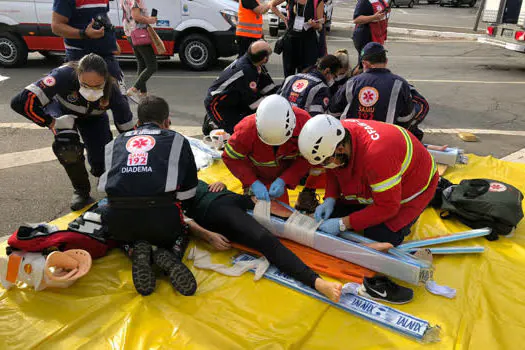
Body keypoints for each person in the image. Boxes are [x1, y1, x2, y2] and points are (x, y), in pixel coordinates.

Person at [98, 96, 199, 297]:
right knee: (183, 229)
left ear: (137, 123)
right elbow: (188, 193)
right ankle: (168, 253)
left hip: (119, 217)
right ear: (166, 121)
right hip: (162, 219)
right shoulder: (176, 139)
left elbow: (105, 186)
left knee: (116, 231)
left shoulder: (115, 143)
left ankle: (134, 250)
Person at [11, 53, 134, 211]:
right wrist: (51, 122)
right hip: (62, 113)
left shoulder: (114, 91)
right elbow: (21, 102)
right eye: (85, 85)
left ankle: (104, 179)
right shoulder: (62, 75)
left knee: (103, 159)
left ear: (105, 80)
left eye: (97, 86)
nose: (91, 91)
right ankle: (81, 191)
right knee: (67, 148)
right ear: (77, 75)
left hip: (95, 119)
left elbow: (130, 133)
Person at [184, 180, 342, 302]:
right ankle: (317, 282)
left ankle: (323, 227)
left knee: (275, 210)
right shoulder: (163, 188)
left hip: (226, 196)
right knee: (263, 238)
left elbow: (198, 185)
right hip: (211, 209)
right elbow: (180, 217)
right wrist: (207, 235)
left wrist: (221, 183)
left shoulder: (181, 167)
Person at [298, 115, 438, 248]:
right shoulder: (339, 134)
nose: (326, 167)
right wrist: (330, 198)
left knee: (379, 235)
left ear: (340, 149)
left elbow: (388, 207)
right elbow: (334, 170)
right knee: (334, 214)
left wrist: (343, 223)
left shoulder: (377, 156)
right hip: (383, 171)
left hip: (414, 187)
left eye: (326, 162)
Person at [222, 95, 311, 204]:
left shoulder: (304, 124)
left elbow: (307, 157)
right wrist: (252, 182)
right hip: (256, 175)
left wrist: (286, 179)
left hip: (284, 173)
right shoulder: (246, 130)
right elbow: (230, 158)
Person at [329, 43, 414, 128]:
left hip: (354, 137)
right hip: (384, 137)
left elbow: (333, 111)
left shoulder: (351, 83)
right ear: (386, 61)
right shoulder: (400, 84)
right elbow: (406, 118)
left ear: (364, 63)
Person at [203, 40, 278, 135]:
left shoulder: (254, 63)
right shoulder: (247, 72)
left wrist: (279, 93)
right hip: (217, 105)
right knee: (237, 132)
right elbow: (254, 104)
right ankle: (212, 124)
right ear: (264, 59)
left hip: (233, 98)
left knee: (247, 120)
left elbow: (268, 86)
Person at [51, 0, 125, 90]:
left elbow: (103, 16)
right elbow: (56, 26)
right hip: (80, 56)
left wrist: (112, 42)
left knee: (116, 98)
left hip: (106, 56)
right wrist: (84, 34)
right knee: (85, 97)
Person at [271, 0, 325, 77]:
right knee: (288, 76)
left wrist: (314, 25)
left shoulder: (317, 1)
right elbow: (272, 5)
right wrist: (283, 18)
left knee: (306, 76)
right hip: (290, 42)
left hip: (308, 44)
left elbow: (320, 26)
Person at [121, 0, 158, 103]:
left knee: (141, 63)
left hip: (130, 33)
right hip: (139, 33)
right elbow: (136, 16)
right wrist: (150, 20)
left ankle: (143, 94)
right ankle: (134, 89)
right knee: (152, 66)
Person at [352, 0, 389, 71]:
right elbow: (356, 19)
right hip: (366, 37)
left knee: (374, 65)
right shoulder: (364, 2)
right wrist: (374, 17)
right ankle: (354, 80)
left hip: (377, 36)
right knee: (364, 66)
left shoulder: (381, 1)